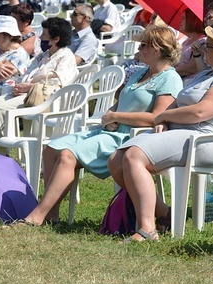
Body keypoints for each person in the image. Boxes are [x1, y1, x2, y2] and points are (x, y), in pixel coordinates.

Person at [19, 26, 184, 226]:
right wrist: (111, 114)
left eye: (142, 45)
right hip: (111, 130)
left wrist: (117, 116)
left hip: (129, 137)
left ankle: (36, 216)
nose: (138, 49)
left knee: (67, 155)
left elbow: (157, 117)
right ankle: (52, 215)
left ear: (156, 49)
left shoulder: (170, 78)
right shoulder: (140, 72)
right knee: (52, 149)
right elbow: (124, 102)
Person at [107, 23, 213, 242]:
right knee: (117, 159)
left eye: (209, 47)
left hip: (205, 141)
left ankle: (147, 230)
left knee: (134, 156)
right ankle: (164, 213)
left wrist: (164, 117)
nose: (203, 50)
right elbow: (178, 102)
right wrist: (164, 118)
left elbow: (201, 112)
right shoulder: (208, 74)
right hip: (183, 134)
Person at [0, 17, 78, 151]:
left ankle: (0, 153)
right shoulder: (43, 55)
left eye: (44, 35)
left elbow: (60, 85)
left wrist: (29, 87)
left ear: (56, 39)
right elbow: (27, 74)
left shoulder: (65, 56)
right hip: (27, 94)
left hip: (46, 99)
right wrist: (20, 86)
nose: (40, 37)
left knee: (1, 109)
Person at [174, 9, 206, 79]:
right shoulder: (186, 41)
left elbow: (191, 68)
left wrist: (167, 71)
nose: (179, 21)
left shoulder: (202, 42)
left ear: (193, 20)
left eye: (183, 18)